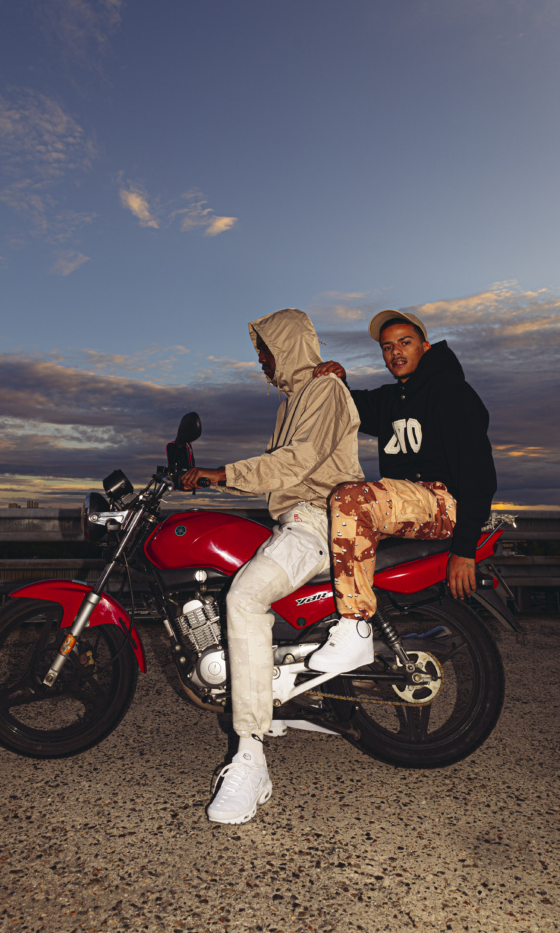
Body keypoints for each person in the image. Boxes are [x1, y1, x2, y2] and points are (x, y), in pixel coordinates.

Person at [181, 308, 372, 825]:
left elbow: (297, 462)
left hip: (319, 521)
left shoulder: (325, 390)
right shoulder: (295, 399)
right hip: (295, 518)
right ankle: (271, 695)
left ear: (288, 346)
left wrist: (221, 474)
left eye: (266, 350)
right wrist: (217, 480)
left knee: (244, 598)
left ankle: (251, 758)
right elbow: (285, 472)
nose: (261, 361)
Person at [309, 309, 496, 665]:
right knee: (318, 511)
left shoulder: (451, 391)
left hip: (442, 503)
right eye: (387, 346)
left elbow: (478, 473)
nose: (395, 351)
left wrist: (465, 550)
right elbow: (348, 407)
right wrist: (338, 380)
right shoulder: (391, 399)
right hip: (406, 502)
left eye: (405, 342)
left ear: (426, 347)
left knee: (351, 499)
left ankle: (354, 626)